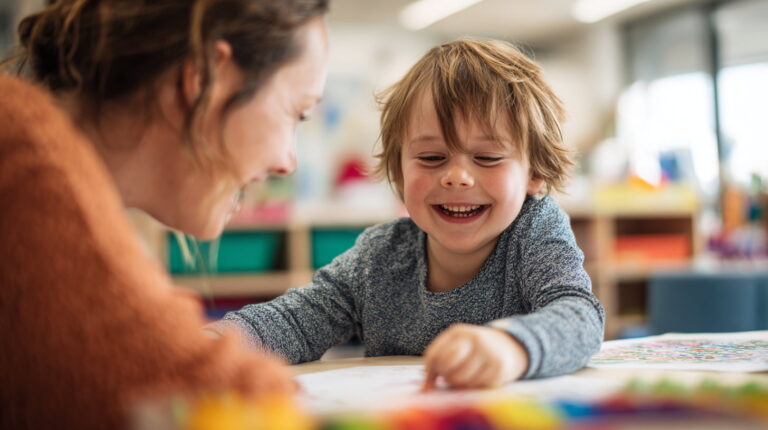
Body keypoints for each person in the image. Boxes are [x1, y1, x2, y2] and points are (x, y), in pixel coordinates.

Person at [0, 0, 329, 428]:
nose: (289, 162)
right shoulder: (28, 157)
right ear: (208, 77)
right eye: (297, 113)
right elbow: (210, 393)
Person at [208, 38, 605, 390]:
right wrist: (209, 346)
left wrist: (514, 345)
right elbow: (294, 322)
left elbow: (580, 317)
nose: (457, 177)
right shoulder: (379, 256)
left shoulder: (535, 231)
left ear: (534, 172)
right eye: (432, 158)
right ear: (399, 170)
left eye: (487, 157)